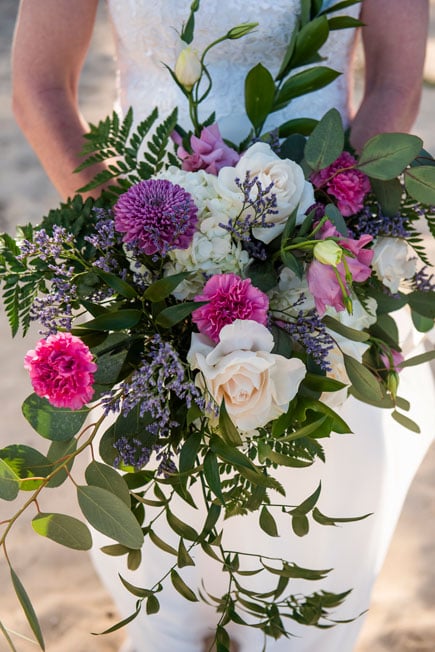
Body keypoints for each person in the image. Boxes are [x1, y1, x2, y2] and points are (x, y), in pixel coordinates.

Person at [10, 2, 433, 651]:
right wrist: (134, 237)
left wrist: (304, 236)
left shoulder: (309, 251)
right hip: (142, 271)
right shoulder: (137, 253)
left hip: (311, 265)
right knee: (162, 578)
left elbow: (393, 83)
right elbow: (39, 85)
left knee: (301, 589)